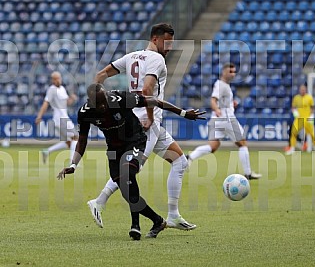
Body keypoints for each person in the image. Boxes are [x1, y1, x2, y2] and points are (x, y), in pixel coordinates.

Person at [57, 83, 205, 240]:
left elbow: (154, 101)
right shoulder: (85, 113)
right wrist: (73, 164)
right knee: (128, 192)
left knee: (128, 173)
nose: (102, 106)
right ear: (90, 101)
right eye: (98, 104)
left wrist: (183, 113)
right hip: (114, 149)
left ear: (107, 96)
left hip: (135, 140)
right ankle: (157, 221)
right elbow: (82, 139)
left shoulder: (121, 98)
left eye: (104, 101)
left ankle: (136, 225)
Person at [87, 23, 198, 230]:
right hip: (147, 124)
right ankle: (99, 202)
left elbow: (100, 75)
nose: (169, 47)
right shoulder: (157, 59)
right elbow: (147, 88)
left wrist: (103, 102)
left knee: (180, 162)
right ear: (155, 39)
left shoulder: (132, 56)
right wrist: (149, 117)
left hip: (139, 119)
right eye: (167, 42)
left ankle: (173, 215)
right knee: (130, 170)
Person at [186, 63, 262, 180]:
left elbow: (221, 101)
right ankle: (248, 173)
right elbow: (213, 100)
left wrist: (231, 104)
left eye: (234, 71)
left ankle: (190, 157)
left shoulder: (222, 85)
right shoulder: (221, 85)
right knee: (242, 143)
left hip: (217, 119)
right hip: (226, 119)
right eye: (230, 71)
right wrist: (216, 109)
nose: (233, 74)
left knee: (213, 146)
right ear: (224, 72)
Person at [35, 71, 78, 164]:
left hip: (61, 119)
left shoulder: (62, 88)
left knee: (68, 142)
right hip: (61, 118)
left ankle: (47, 151)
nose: (58, 80)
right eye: (56, 78)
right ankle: (72, 162)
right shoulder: (52, 89)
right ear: (53, 80)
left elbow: (67, 103)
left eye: (59, 78)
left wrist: (72, 98)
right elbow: (46, 103)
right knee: (76, 137)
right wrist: (39, 116)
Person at [285, 84, 315, 155]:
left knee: (312, 134)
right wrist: (295, 113)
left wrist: (311, 116)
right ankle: (292, 148)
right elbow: (293, 107)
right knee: (293, 133)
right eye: (301, 90)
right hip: (299, 119)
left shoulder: (309, 97)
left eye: (304, 90)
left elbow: (312, 107)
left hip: (307, 118)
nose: (303, 91)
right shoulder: (296, 98)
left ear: (306, 90)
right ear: (299, 90)